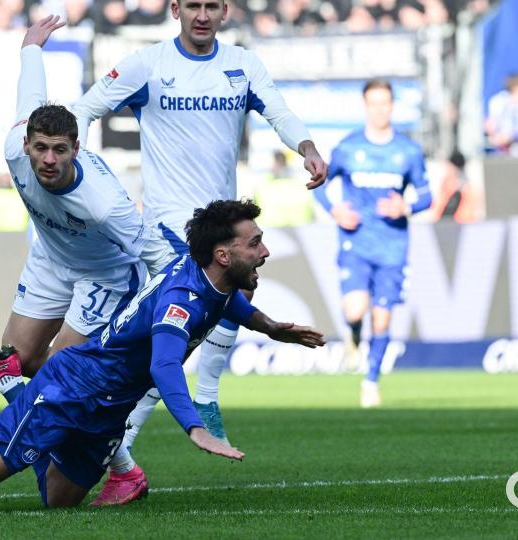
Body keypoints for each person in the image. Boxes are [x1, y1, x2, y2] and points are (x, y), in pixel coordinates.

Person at [0, 199, 325, 508]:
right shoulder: (179, 304)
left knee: (58, 502)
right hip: (71, 387)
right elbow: (164, 364)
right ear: (224, 254)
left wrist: (272, 329)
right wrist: (195, 428)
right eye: (255, 243)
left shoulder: (208, 282)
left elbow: (226, 301)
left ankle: (10, 382)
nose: (264, 250)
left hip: (106, 409)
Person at [69, 0, 328, 504]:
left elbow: (279, 110)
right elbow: (85, 109)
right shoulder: (148, 65)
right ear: (175, 10)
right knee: (172, 344)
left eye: (211, 5)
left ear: (225, 11)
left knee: (189, 331)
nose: (202, 14)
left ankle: (134, 446)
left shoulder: (243, 65)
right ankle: (138, 443)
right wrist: (73, 167)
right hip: (170, 228)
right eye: (193, 5)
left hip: (223, 224)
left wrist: (308, 147)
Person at [0, 16, 175, 407]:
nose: (49, 159)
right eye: (40, 148)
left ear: (76, 148)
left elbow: (159, 258)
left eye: (60, 150)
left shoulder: (103, 203)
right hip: (51, 258)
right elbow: (31, 92)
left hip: (104, 274)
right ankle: (93, 420)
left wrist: (180, 315)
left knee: (60, 372)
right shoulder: (12, 150)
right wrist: (32, 48)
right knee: (17, 360)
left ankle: (114, 458)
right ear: (25, 145)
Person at [313, 79, 432, 409]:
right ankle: (352, 334)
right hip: (356, 241)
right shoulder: (349, 147)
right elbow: (320, 183)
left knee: (382, 319)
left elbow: (426, 196)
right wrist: (334, 209)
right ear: (365, 106)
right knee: (356, 309)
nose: (380, 109)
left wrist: (405, 207)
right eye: (374, 103)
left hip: (393, 245)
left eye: (385, 103)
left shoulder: (407, 151)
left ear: (392, 106)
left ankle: (371, 381)